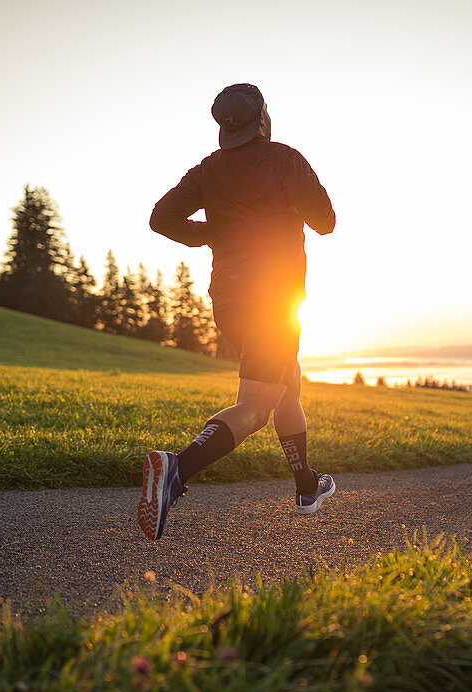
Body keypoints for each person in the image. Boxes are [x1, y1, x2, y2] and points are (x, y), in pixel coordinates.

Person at [139, 82, 337, 540]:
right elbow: (325, 221)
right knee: (254, 407)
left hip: (228, 303)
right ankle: (177, 469)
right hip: (274, 301)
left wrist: (215, 233)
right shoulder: (284, 159)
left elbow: (161, 218)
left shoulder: (209, 170)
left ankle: (307, 487)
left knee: (287, 384)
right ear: (263, 118)